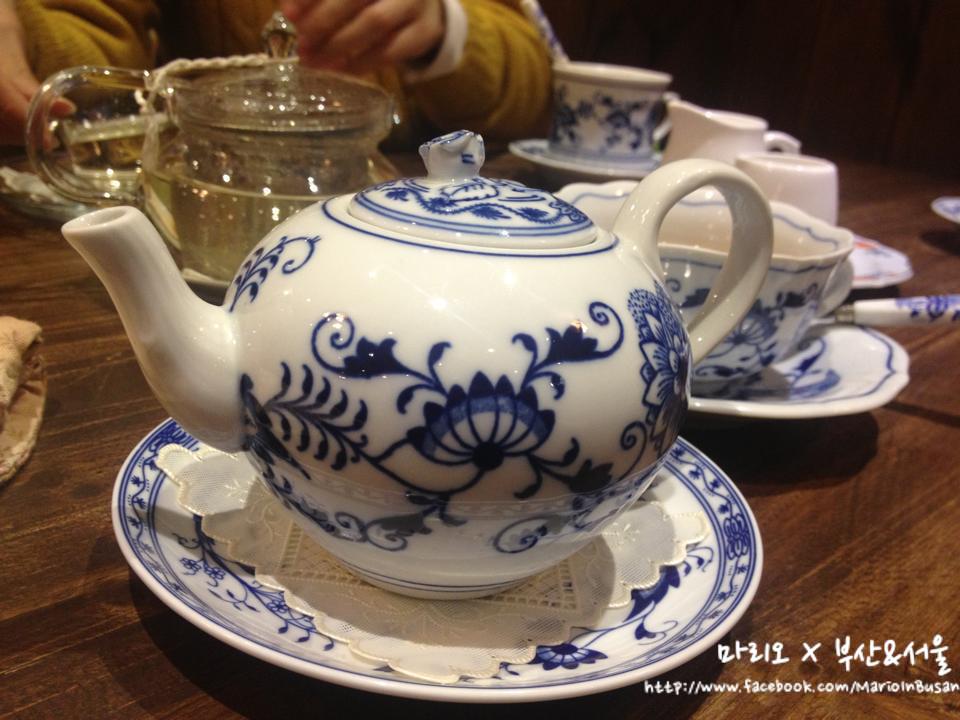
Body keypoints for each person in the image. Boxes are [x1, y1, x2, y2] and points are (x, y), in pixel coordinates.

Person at [1, 0, 552, 148]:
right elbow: (93, 40)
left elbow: (541, 89)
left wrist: (445, 28)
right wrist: (21, 23)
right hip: (223, 197)